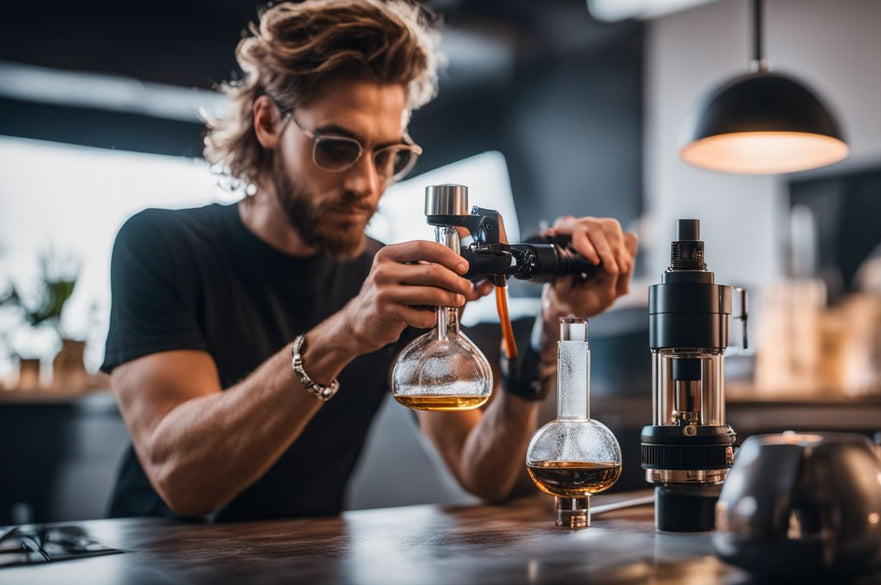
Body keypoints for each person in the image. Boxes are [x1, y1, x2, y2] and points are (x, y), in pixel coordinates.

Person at [101, 0, 637, 521]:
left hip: (308, 564)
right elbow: (180, 482)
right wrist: (344, 335)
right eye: (337, 147)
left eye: (389, 156)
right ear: (267, 123)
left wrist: (546, 336)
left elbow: (481, 473)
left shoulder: (384, 279)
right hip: (156, 559)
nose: (367, 184)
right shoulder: (160, 246)